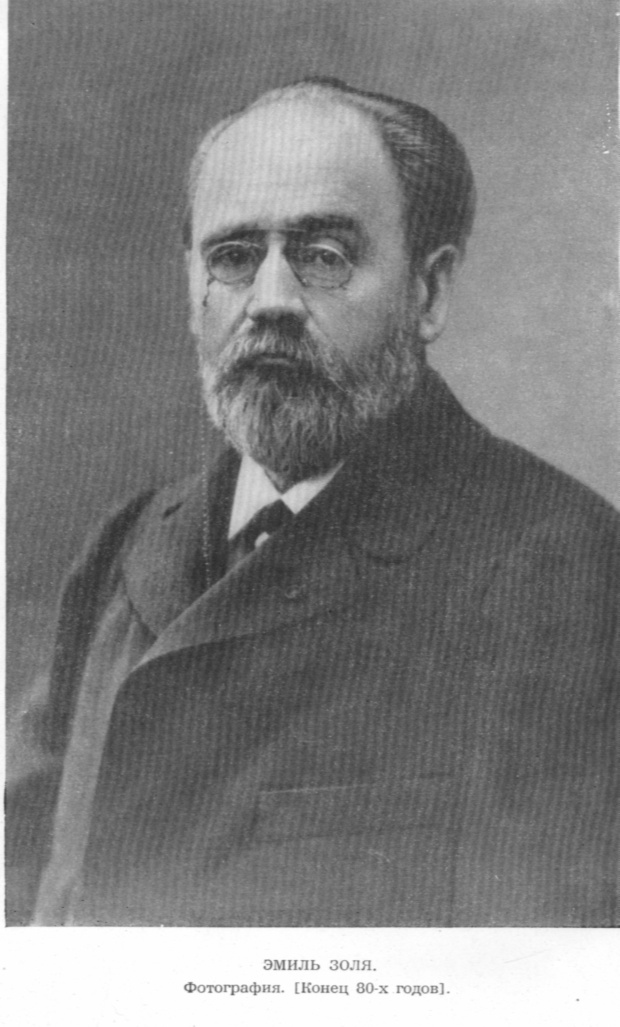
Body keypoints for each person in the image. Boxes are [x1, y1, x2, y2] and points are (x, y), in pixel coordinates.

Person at [7, 78, 618, 927]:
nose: (271, 302)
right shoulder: (126, 545)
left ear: (429, 292)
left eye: (324, 256)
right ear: (191, 286)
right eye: (232, 257)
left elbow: (543, 971)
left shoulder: (570, 573)